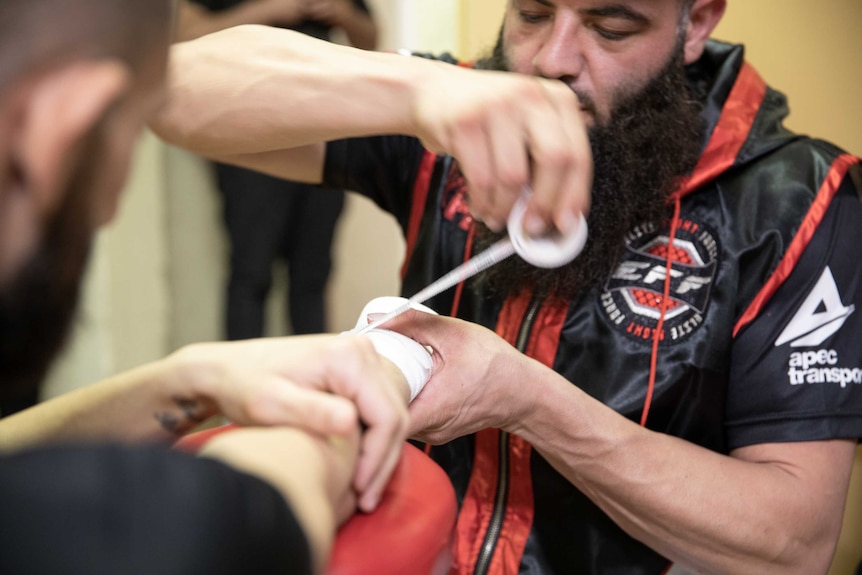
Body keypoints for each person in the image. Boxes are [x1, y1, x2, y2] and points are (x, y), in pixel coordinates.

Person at [152, 1, 862, 573]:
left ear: (697, 21)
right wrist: (416, 91)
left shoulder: (797, 201)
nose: (553, 61)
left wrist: (527, 400)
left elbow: (793, 543)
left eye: (610, 26)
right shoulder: (460, 122)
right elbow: (166, 89)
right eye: (529, 13)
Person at [0, 1, 416, 572]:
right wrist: (367, 391)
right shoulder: (95, 527)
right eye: (126, 137)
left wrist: (190, 378)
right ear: (59, 133)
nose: (108, 209)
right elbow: (256, 509)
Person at [176, 0, 377, 339]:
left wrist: (341, 13)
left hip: (321, 136)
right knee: (251, 273)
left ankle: (319, 384)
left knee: (312, 276)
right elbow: (185, 36)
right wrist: (272, 10)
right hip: (249, 141)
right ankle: (239, 389)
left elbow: (370, 40)